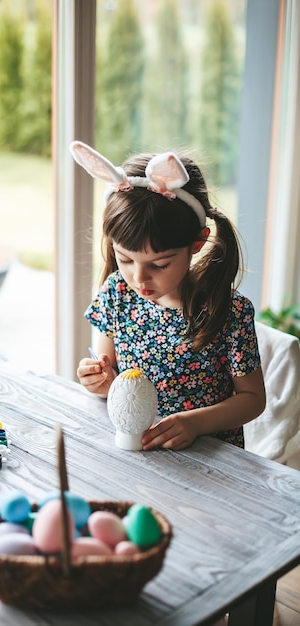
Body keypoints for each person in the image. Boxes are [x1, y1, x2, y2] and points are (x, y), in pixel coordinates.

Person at [70, 140, 266, 452]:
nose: (139, 277)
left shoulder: (229, 312)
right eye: (125, 259)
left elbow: (253, 400)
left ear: (198, 243)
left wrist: (194, 422)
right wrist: (102, 383)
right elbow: (110, 374)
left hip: (208, 460)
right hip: (137, 448)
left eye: (160, 264)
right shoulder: (116, 292)